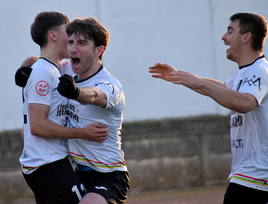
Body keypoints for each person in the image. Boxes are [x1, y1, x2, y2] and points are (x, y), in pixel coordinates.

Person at [149, 12, 268, 204]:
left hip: (256, 177)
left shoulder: (259, 71)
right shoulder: (244, 74)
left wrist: (198, 82)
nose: (223, 37)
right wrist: (180, 77)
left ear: (246, 37)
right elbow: (222, 88)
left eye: (230, 31)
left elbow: (245, 102)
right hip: (248, 176)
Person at [20, 11, 108, 204]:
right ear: (53, 36)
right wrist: (82, 132)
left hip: (50, 161)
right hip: (46, 163)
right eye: (67, 31)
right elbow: (38, 126)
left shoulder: (53, 67)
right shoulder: (43, 73)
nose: (71, 37)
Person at [56, 17, 130, 204]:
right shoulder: (67, 68)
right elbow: (43, 60)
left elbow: (97, 96)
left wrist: (76, 92)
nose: (73, 49)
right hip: (76, 173)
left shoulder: (110, 84)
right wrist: (27, 69)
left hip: (109, 175)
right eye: (71, 42)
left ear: (99, 50)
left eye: (82, 43)